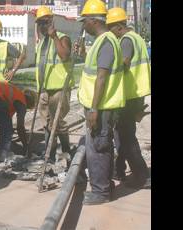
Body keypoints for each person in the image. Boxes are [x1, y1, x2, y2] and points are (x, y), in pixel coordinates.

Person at [75, 0, 125, 205]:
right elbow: (97, 70)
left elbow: (102, 77)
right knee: (98, 146)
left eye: (84, 21)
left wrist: (94, 108)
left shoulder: (105, 42)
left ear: (94, 21)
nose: (83, 25)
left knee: (99, 147)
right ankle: (104, 185)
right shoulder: (103, 41)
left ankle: (101, 192)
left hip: (102, 108)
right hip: (100, 106)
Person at [106, 7, 151, 188]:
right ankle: (120, 169)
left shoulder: (125, 40)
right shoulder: (137, 37)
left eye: (110, 28)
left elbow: (123, 63)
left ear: (118, 26)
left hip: (129, 95)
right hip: (137, 94)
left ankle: (142, 176)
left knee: (126, 137)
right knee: (123, 134)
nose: (110, 32)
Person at [33, 6, 74, 161]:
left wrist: (54, 36)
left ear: (51, 21)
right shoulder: (42, 43)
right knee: (47, 123)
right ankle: (50, 153)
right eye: (40, 23)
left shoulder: (62, 37)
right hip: (44, 90)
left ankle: (66, 151)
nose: (42, 26)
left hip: (59, 89)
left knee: (58, 123)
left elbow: (64, 56)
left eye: (45, 22)